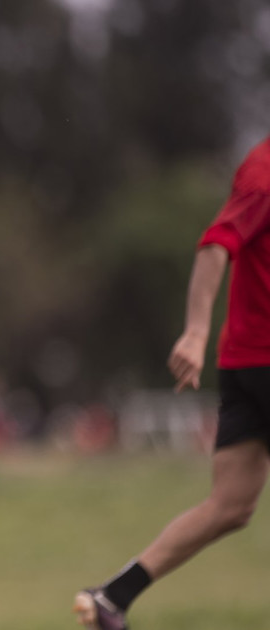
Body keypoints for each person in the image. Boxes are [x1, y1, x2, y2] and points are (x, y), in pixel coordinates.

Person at [74, 134, 270, 630]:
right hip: (263, 358)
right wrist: (196, 330)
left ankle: (112, 598)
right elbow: (216, 245)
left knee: (231, 504)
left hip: (243, 362)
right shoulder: (266, 174)